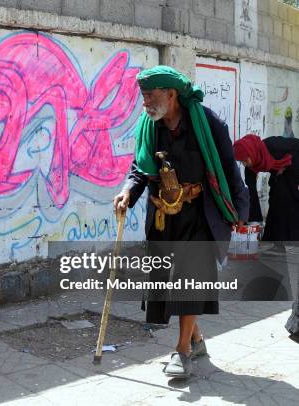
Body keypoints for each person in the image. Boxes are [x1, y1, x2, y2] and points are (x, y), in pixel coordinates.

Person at [113, 66, 249, 378]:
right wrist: (127, 193)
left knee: (190, 279)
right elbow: (140, 167)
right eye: (143, 95)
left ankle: (182, 351)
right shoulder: (150, 127)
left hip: (198, 213)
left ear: (172, 94)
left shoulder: (209, 124)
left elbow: (228, 169)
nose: (145, 101)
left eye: (151, 94)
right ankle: (197, 339)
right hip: (163, 216)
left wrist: (238, 213)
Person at [232, 134, 299, 342]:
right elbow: (250, 192)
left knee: (291, 206)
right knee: (277, 204)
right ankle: (276, 242)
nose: (245, 163)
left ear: (252, 153)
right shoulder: (251, 163)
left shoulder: (273, 145)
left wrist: (287, 169)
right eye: (242, 161)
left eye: (245, 159)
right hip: (280, 179)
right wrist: (251, 221)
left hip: (294, 171)